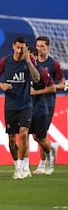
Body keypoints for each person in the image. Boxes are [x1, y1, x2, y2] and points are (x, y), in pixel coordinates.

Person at [0, 37, 40, 180]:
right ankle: (17, 165)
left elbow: (36, 78)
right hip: (10, 105)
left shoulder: (29, 59)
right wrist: (1, 85)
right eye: (18, 47)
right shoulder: (5, 61)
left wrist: (28, 60)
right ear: (13, 46)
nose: (20, 50)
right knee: (12, 139)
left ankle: (25, 166)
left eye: (23, 48)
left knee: (24, 134)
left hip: (25, 104)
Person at [32, 36, 64, 174]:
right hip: (33, 102)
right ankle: (52, 146)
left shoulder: (54, 64)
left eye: (42, 46)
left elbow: (63, 84)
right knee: (35, 136)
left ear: (48, 47)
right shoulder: (32, 62)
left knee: (41, 134)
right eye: (37, 46)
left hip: (48, 102)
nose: (39, 49)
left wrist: (49, 86)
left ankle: (42, 164)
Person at [27, 46, 56, 175]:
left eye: (29, 55)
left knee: (41, 137)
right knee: (32, 137)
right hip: (26, 109)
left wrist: (36, 92)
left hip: (40, 108)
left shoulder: (42, 71)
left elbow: (52, 88)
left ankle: (49, 158)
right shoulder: (21, 71)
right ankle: (23, 167)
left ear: (34, 56)